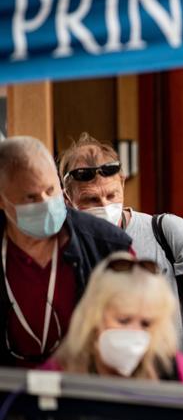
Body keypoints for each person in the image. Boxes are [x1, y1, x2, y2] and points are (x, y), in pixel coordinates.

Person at [59, 134, 183, 386]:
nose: (104, 205)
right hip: (92, 394)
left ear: (122, 183)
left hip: (169, 393)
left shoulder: (167, 232)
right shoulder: (61, 246)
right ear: (67, 198)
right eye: (91, 200)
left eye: (111, 195)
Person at [0, 136, 132, 368]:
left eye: (51, 191)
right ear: (2, 200)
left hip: (86, 391)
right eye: (30, 197)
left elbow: (138, 328)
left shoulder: (109, 246)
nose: (45, 203)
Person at [42, 252, 183, 384]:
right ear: (94, 315)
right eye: (123, 320)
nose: (134, 331)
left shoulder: (176, 371)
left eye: (146, 323)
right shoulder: (60, 371)